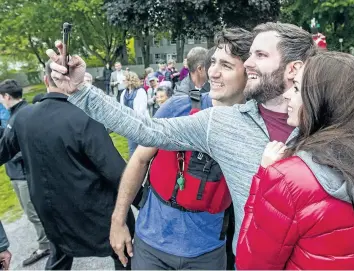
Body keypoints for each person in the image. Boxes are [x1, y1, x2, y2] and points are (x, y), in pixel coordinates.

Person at [47, 22, 316, 259]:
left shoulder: (325, 121)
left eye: (260, 55)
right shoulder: (222, 123)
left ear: (293, 68)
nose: (247, 63)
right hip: (250, 260)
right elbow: (145, 129)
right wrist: (80, 91)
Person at [236, 52, 354, 270]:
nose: (287, 95)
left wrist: (263, 178)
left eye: (297, 88)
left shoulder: (287, 178)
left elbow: (251, 264)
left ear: (322, 100)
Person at [110, 28, 252, 270]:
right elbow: (139, 160)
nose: (213, 72)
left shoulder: (253, 129)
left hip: (208, 251)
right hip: (151, 244)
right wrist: (118, 220)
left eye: (226, 66)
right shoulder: (179, 107)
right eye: (213, 62)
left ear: (250, 73)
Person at [0, 68, 135, 270]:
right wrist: (145, 201)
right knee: (123, 252)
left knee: (61, 255)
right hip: (94, 211)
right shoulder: (83, 116)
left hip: (54, 213)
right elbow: (116, 171)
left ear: (46, 79)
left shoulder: (23, 117)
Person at [0, 80, 51, 267]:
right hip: (16, 174)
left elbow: (33, 145)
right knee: (32, 212)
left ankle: (47, 245)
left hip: (24, 174)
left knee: (34, 213)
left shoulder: (23, 115)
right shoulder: (15, 115)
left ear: (6, 96)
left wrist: (10, 154)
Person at [119, 71, 147, 157]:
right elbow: (122, 107)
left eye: (124, 80)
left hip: (140, 123)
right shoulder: (124, 93)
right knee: (132, 148)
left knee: (143, 148)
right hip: (129, 123)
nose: (122, 82)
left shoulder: (140, 91)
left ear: (130, 81)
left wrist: (134, 119)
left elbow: (141, 109)